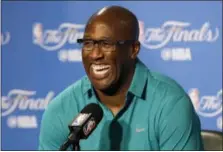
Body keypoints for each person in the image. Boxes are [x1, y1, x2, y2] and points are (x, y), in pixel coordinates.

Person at [39, 6, 203, 150]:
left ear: (133, 49)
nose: (96, 54)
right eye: (88, 43)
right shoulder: (60, 111)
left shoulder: (170, 104)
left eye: (106, 44)